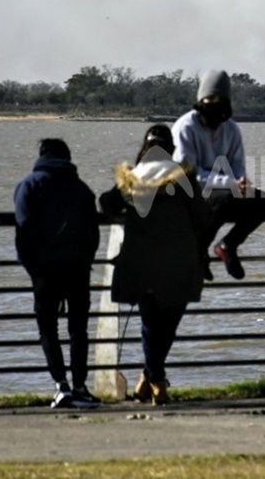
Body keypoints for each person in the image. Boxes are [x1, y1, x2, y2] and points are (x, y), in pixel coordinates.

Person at [99, 124, 210, 405]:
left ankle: (153, 379)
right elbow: (203, 217)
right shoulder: (185, 178)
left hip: (142, 262)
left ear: (144, 149)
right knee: (168, 325)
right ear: (171, 149)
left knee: (150, 325)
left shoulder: (133, 178)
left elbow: (107, 203)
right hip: (180, 262)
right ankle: (155, 380)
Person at [13, 138, 102, 409]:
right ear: (67, 157)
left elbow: (24, 228)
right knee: (78, 330)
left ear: (41, 156)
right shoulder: (82, 189)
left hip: (44, 270)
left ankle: (60, 386)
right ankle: (80, 386)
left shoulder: (29, 185)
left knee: (48, 329)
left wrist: (32, 268)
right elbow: (93, 233)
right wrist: (85, 261)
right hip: (77, 267)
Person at [172, 69, 265, 280]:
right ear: (201, 100)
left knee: (264, 202)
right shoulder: (185, 127)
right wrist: (229, 182)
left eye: (220, 100)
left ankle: (228, 245)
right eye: (210, 99)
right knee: (223, 200)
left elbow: (237, 165)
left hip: (225, 191)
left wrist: (241, 181)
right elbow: (188, 172)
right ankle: (200, 251)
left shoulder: (232, 130)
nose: (215, 104)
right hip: (190, 193)